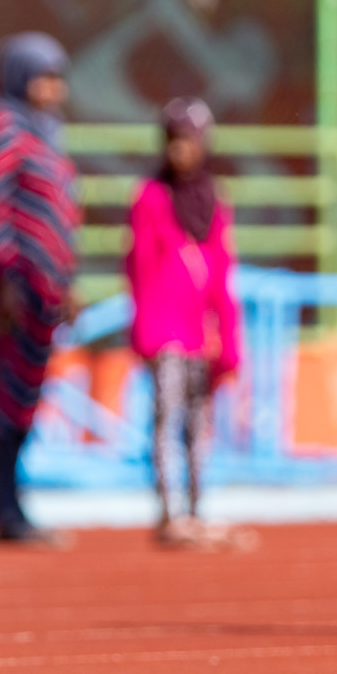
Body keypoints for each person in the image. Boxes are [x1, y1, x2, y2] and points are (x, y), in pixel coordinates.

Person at [0, 33, 80, 547]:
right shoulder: (7, 127)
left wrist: (66, 278)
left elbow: (56, 212)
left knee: (25, 394)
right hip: (13, 288)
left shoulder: (47, 131)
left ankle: (7, 501)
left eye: (58, 78)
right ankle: (5, 505)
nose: (54, 89)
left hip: (43, 287)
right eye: (44, 77)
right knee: (4, 395)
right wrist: (7, 277)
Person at [125, 97, 243, 549]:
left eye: (188, 141)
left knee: (197, 425)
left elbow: (222, 273)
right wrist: (144, 329)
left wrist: (227, 338)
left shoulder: (214, 200)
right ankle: (168, 513)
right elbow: (139, 268)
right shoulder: (150, 197)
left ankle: (195, 510)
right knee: (165, 419)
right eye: (172, 141)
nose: (180, 152)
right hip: (163, 331)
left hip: (201, 333)